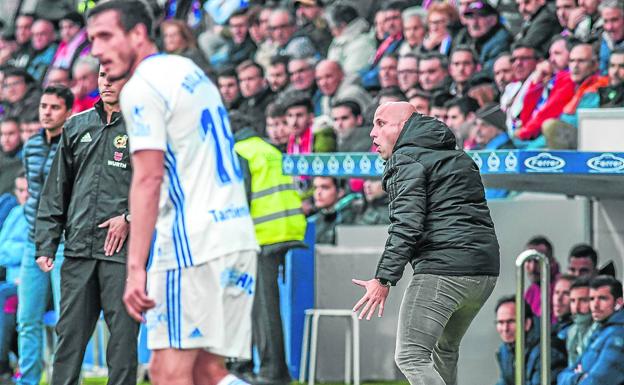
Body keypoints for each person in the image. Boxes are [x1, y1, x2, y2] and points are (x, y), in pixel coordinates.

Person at [87, 2, 259, 385]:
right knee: (209, 373)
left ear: (137, 35)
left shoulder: (141, 88)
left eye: (105, 36)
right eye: (92, 40)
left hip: (191, 244)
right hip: (234, 236)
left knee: (168, 373)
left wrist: (135, 270)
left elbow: (148, 179)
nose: (97, 49)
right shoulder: (186, 68)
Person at [352, 102, 499, 385]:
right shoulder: (460, 156)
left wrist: (383, 279)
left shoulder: (406, 159)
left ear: (403, 126)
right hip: (484, 272)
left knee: (410, 355)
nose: (372, 133)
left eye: (381, 123)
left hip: (444, 270)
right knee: (445, 350)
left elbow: (406, 224)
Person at [34, 67, 138, 385]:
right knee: (69, 340)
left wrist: (130, 219)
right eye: (102, 75)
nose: (107, 82)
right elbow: (56, 190)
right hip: (78, 249)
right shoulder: (77, 126)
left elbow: (158, 187)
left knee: (121, 343)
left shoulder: (145, 129)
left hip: (121, 253)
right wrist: (46, 243)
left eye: (115, 76)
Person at [229, 111, 306, 385]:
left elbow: (238, 200)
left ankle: (273, 372)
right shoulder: (267, 149)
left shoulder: (239, 151)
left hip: (260, 236)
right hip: (285, 230)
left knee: (262, 307)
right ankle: (258, 366)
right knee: (263, 305)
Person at [19, 85, 73, 385]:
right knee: (27, 319)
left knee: (67, 320)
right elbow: (33, 194)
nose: (47, 112)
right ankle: (27, 380)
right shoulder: (30, 146)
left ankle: (64, 380)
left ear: (68, 112)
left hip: (63, 244)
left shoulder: (75, 144)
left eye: (54, 107)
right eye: (43, 106)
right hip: (32, 241)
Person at [558, 276, 624, 385]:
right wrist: (579, 378)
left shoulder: (618, 336)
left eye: (603, 298)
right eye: (592, 299)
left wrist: (580, 376)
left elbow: (597, 382)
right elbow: (561, 376)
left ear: (618, 303)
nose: (595, 305)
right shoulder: (601, 331)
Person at [494, 295, 567, 385]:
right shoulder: (505, 350)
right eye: (500, 322)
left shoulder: (547, 351)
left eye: (511, 321)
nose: (505, 328)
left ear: (527, 323)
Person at [0, 173, 28, 381]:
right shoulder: (15, 213)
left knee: (3, 299)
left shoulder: (41, 214)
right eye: (20, 190)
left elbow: (36, 251)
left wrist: (14, 251)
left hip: (28, 284)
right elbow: (1, 250)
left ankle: (3, 366)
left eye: (29, 189)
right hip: (12, 282)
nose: (25, 195)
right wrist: (21, 251)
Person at [308, 177, 357, 245]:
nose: (318, 193)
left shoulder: (351, 219)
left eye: (325, 187)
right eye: (315, 188)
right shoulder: (311, 221)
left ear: (340, 192)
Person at [523, 235, 560, 319]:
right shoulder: (530, 292)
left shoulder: (560, 289)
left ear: (551, 262)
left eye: (538, 261)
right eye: (528, 261)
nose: (532, 268)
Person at [565, 278, 595, 367]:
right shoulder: (571, 331)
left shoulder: (603, 330)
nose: (576, 308)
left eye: (583, 300)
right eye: (573, 301)